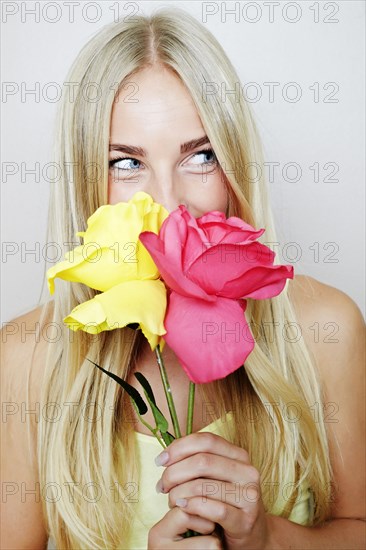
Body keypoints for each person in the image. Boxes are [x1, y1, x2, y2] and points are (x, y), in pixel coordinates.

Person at [1, 7, 365, 550]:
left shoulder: (323, 329)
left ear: (235, 166)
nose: (169, 204)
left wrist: (266, 539)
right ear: (85, 183)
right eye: (126, 163)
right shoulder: (29, 358)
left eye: (201, 156)